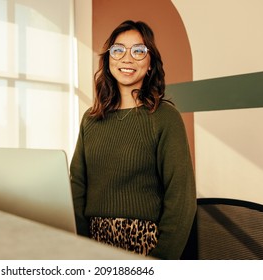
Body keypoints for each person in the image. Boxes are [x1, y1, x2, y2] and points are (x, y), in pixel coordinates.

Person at [69, 20, 196, 260]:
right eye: (118, 50)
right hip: (93, 244)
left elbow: (181, 198)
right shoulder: (91, 118)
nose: (127, 58)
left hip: (146, 244)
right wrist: (81, 245)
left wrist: (159, 261)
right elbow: (77, 185)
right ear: (108, 60)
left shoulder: (165, 117)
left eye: (138, 51)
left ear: (150, 64)